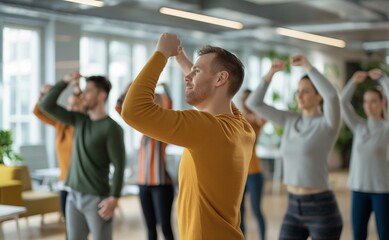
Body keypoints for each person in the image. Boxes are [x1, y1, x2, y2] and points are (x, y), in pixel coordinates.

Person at [121, 33, 255, 239]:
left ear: (221, 78)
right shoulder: (241, 126)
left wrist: (162, 53)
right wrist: (183, 60)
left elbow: (133, 111)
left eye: (196, 71)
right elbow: (214, 95)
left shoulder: (207, 128)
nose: (187, 76)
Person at [247, 57, 343, 240]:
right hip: (292, 205)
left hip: (321, 207)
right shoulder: (290, 120)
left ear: (318, 95)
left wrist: (308, 66)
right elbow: (253, 103)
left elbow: (332, 96)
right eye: (298, 91)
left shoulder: (327, 123)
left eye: (305, 91)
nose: (299, 96)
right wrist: (270, 74)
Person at [39, 72, 125, 240]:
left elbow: (119, 165)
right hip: (73, 196)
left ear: (102, 95)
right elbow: (46, 105)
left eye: (89, 91)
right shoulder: (80, 120)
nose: (83, 94)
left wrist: (114, 198)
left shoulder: (112, 128)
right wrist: (64, 81)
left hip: (97, 199)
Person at [340, 69, 389, 240]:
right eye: (366, 101)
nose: (368, 105)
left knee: (385, 236)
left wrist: (383, 78)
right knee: (358, 236)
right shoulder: (359, 127)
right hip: (358, 190)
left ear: (383, 103)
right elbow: (342, 102)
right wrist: (353, 81)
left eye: (373, 101)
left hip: (382, 192)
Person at [116, 84, 175, 240]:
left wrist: (163, 87)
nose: (154, 105)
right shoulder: (143, 129)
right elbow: (120, 109)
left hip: (161, 185)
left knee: (165, 227)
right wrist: (126, 90)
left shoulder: (164, 129)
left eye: (157, 102)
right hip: (142, 184)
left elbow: (169, 106)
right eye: (151, 102)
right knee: (150, 228)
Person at [33, 81, 82, 219]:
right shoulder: (61, 124)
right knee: (68, 223)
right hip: (64, 182)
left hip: (81, 184)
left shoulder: (83, 125)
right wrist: (43, 94)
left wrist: (77, 89)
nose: (71, 108)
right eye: (69, 104)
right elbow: (38, 111)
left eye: (75, 105)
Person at [239, 89, 266, 240]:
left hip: (254, 172)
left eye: (247, 99)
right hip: (238, 173)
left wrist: (250, 109)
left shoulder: (255, 119)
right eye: (242, 99)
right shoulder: (237, 117)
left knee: (256, 210)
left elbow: (263, 119)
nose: (244, 102)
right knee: (239, 212)